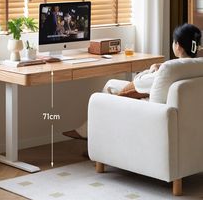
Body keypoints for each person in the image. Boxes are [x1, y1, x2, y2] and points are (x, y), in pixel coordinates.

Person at [63, 23, 202, 140]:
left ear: (177, 46)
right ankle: (90, 134)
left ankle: (91, 135)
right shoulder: (192, 66)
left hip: (152, 111)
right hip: (178, 113)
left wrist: (151, 69)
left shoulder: (168, 70)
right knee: (111, 84)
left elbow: (138, 82)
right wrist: (161, 67)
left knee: (102, 98)